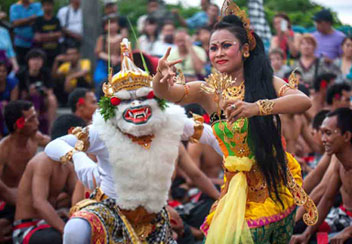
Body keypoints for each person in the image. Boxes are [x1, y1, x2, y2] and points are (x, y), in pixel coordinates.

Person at [153, 0, 316, 242]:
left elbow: (303, 101)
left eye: (226, 46)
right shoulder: (207, 90)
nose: (218, 53)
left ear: (245, 49)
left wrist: (256, 108)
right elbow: (168, 95)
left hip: (271, 187)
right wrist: (159, 78)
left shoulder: (265, 82)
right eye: (213, 48)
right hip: (235, 190)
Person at [44, 38, 221, 243]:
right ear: (113, 105)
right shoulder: (103, 129)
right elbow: (53, 145)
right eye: (126, 99)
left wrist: (237, 159)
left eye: (142, 97)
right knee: (76, 228)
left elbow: (211, 134)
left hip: (154, 216)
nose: (136, 104)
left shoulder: (168, 121)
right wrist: (78, 158)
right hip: (110, 211)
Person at [290, 108, 352, 244]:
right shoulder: (340, 164)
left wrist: (349, 231)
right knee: (300, 235)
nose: (323, 140)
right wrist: (306, 234)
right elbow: (327, 199)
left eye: (328, 133)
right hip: (349, 220)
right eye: (322, 133)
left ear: (346, 136)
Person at [12, 114, 82, 244]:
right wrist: (65, 230)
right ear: (71, 134)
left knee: (85, 229)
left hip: (47, 224)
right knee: (58, 238)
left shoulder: (67, 165)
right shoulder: (43, 161)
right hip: (26, 228)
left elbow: (78, 198)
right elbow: (39, 203)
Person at [0, 101, 49, 226]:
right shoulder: (3, 150)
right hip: (9, 202)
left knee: (62, 197)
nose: (37, 123)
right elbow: (3, 190)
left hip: (31, 196)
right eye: (31, 120)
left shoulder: (35, 138)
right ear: (19, 124)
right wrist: (25, 202)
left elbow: (56, 142)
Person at [16, 48, 58, 134]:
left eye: (39, 59)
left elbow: (50, 91)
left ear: (42, 62)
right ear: (28, 61)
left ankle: (51, 129)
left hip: (43, 99)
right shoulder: (22, 74)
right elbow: (19, 95)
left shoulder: (45, 73)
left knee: (52, 99)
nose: (36, 62)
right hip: (26, 100)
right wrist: (29, 92)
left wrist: (43, 90)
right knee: (34, 98)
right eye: (33, 59)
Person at [9, 0, 43, 66]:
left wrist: (22, 22)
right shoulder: (14, 7)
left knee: (36, 65)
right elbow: (15, 23)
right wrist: (31, 18)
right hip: (20, 43)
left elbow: (40, 19)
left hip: (36, 43)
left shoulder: (38, 5)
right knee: (22, 65)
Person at [94, 15, 123, 87]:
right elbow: (99, 52)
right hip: (104, 64)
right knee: (100, 79)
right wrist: (110, 58)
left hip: (120, 63)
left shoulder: (122, 38)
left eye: (114, 23)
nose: (111, 25)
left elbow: (127, 51)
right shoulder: (102, 38)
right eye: (109, 23)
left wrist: (118, 59)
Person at [33, 0, 62, 69]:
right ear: (42, 7)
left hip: (55, 52)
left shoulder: (56, 20)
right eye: (45, 5)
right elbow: (37, 37)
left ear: (52, 6)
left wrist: (44, 36)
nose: (47, 7)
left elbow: (59, 35)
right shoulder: (38, 20)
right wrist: (52, 35)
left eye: (49, 5)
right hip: (42, 53)